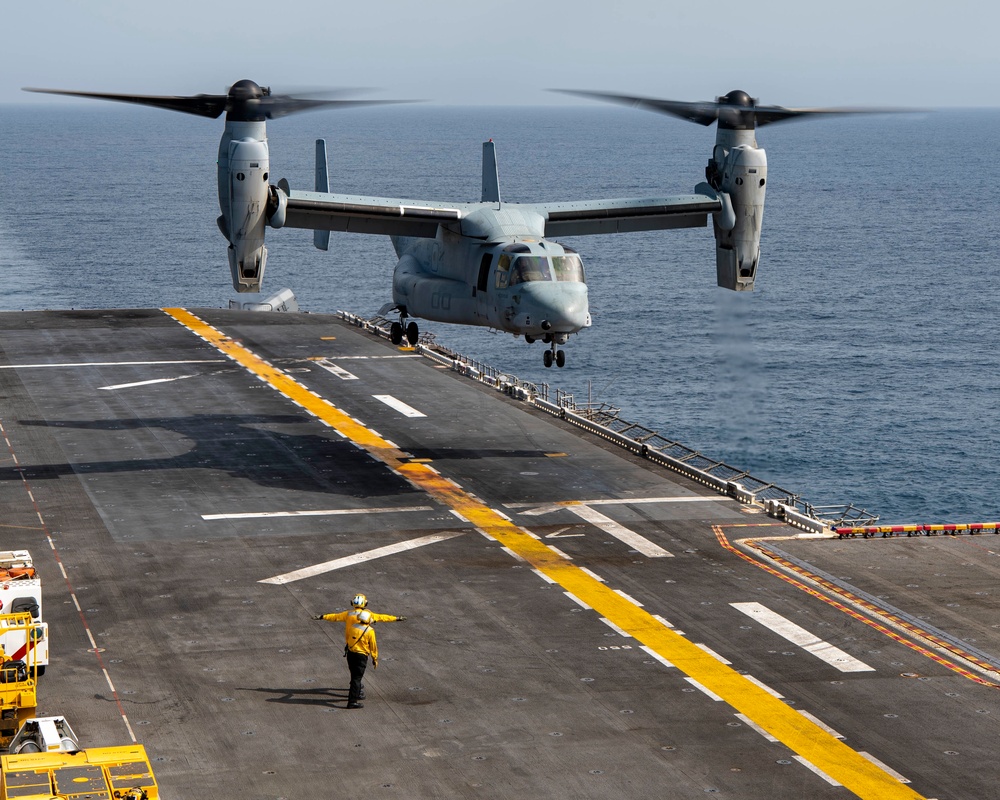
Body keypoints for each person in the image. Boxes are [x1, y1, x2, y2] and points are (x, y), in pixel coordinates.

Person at [312, 593, 406, 709]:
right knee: (357, 677)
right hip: (361, 651)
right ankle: (354, 697)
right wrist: (396, 618)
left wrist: (322, 616)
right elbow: (382, 618)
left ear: (353, 603)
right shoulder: (369, 622)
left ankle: (356, 690)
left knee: (354, 674)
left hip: (350, 647)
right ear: (365, 604)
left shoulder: (349, 617)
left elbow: (334, 616)